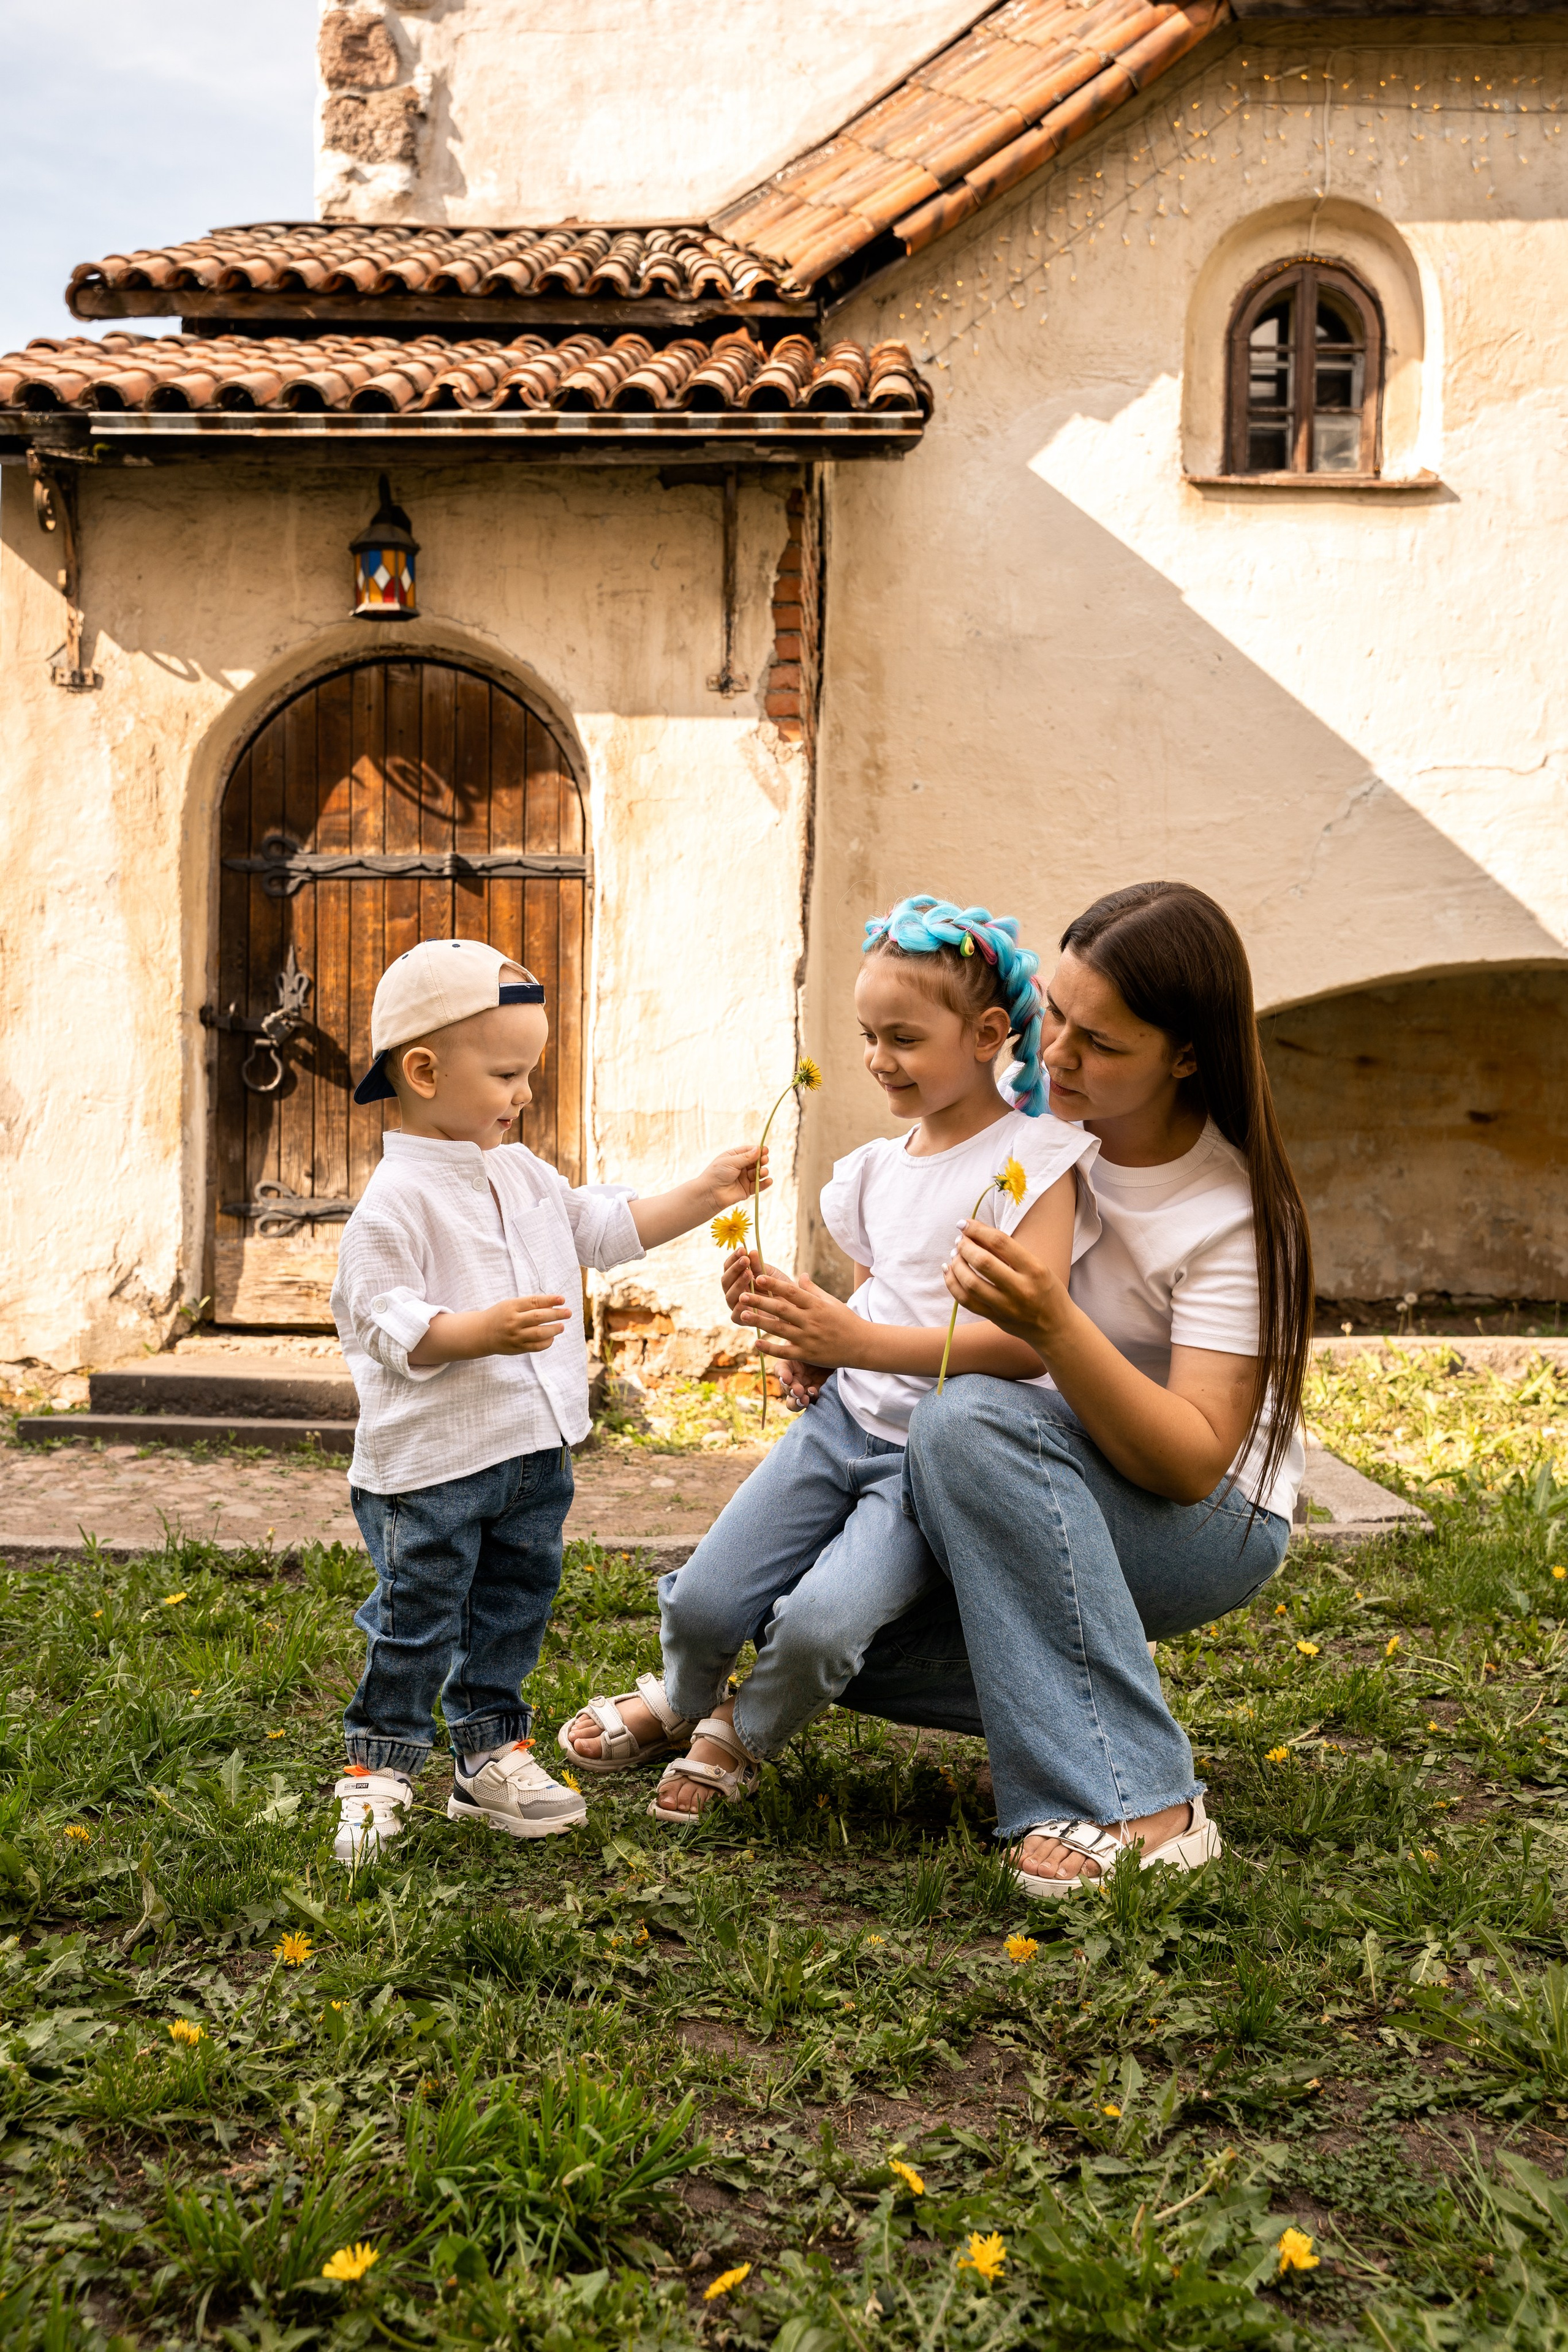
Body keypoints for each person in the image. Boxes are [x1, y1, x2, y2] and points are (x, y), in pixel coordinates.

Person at [559, 895, 1100, 1822]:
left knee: (820, 1629)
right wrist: (813, 1348)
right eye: (866, 1035)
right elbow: (876, 1304)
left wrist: (854, 1340)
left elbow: (1025, 1340)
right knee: (704, 1602)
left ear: (987, 1033)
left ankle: (740, 1731)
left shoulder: (1037, 1161)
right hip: (836, 1428)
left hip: (926, 1462)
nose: (877, 1059)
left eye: (902, 1037)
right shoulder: (871, 1174)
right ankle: (682, 1693)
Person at [829, 881, 1313, 1898]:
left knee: (967, 1417)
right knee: (826, 1637)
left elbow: (1191, 1462)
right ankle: (1096, 1692)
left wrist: (1053, 1323)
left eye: (1100, 1042)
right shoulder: (1030, 1134)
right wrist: (840, 1340)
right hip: (1034, 1478)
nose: (1055, 1055)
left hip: (1205, 1521)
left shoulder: (1228, 1211)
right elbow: (913, 1258)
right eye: (1054, 1012)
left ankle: (1151, 1804)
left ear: (1186, 1055)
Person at [328, 936, 763, 1866]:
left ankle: (489, 1759)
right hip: (432, 1469)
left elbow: (607, 1228)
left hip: (531, 1454)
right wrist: (475, 1330)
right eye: (507, 1073)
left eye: (529, 1072)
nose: (524, 1093)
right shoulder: (393, 1203)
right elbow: (387, 1320)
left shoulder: (520, 1173)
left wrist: (704, 1191)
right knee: (416, 1616)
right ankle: (378, 1770)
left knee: (512, 1609)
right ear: (423, 1070)